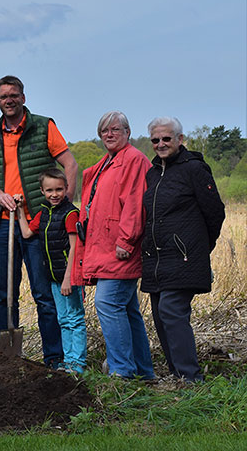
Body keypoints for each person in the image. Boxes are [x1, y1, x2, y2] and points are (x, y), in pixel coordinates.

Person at [0, 75, 78, 367]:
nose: (8, 100)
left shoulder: (43, 126)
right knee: (5, 293)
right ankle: (9, 359)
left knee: (43, 294)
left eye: (13, 95)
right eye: (3, 96)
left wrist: (65, 203)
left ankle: (54, 358)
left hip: (37, 224)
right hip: (5, 223)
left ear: (23, 97)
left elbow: (70, 163)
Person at [142, 117, 225, 382]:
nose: (161, 144)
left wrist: (200, 246)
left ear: (179, 139)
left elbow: (215, 213)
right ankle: (177, 374)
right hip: (156, 258)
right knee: (160, 314)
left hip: (184, 256)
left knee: (171, 310)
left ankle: (191, 378)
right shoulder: (153, 173)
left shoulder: (195, 169)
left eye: (166, 139)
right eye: (156, 140)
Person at [72, 110, 154, 379]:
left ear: (127, 133)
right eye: (104, 131)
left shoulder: (133, 160)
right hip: (105, 248)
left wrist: (127, 241)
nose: (109, 134)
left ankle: (123, 371)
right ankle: (142, 371)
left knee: (107, 304)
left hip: (119, 250)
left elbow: (135, 203)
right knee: (128, 311)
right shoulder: (108, 163)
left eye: (115, 130)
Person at [16, 168, 86, 373]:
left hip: (69, 277)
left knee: (74, 318)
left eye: (59, 189)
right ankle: (67, 360)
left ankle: (78, 362)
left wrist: (68, 278)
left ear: (66, 189)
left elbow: (75, 248)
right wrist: (20, 210)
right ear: (42, 191)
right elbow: (27, 232)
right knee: (62, 319)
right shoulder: (44, 213)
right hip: (54, 277)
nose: (54, 194)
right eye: (49, 190)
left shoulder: (71, 214)